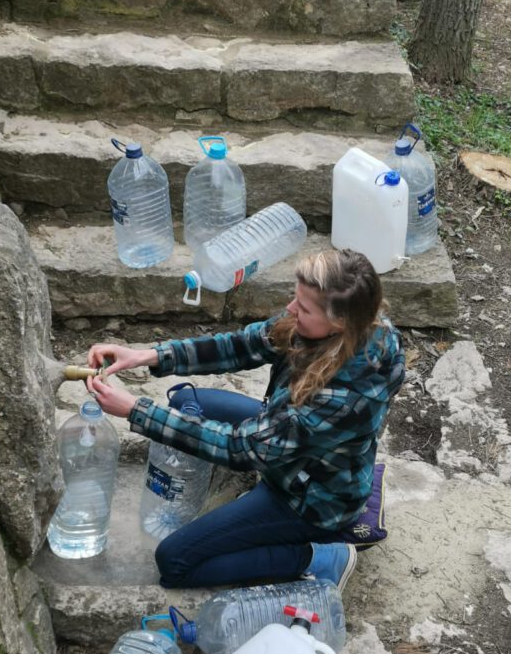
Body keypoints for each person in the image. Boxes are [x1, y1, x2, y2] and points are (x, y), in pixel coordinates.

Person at [87, 249, 405, 592]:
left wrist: (137, 411)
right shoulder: (338, 324)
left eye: (304, 307)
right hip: (287, 440)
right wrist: (147, 355)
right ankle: (233, 514)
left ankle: (318, 557)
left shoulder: (344, 395)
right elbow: (243, 345)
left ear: (339, 322)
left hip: (308, 500)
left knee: (174, 562)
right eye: (296, 298)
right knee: (184, 403)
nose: (291, 309)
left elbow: (241, 448)